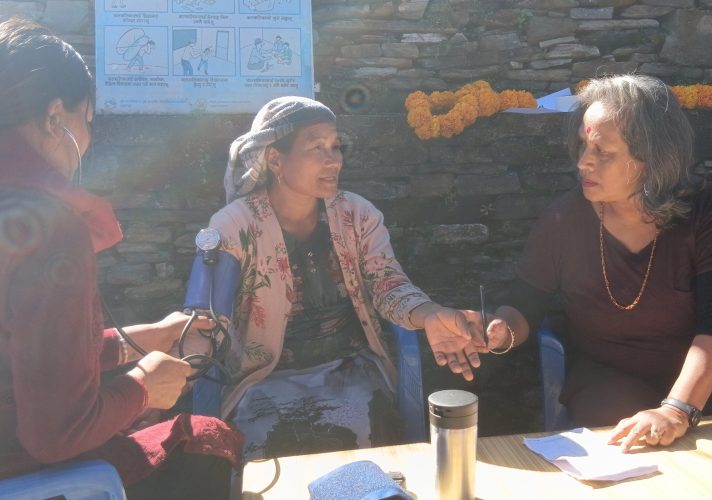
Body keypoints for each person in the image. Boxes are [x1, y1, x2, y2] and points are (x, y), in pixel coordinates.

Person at [482, 75, 712, 457]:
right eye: (583, 145)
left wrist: (676, 409)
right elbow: (526, 302)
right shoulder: (564, 219)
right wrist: (500, 331)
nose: (583, 162)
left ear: (651, 159)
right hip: (609, 373)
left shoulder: (708, 210)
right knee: (628, 456)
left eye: (603, 152)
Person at [0, 18, 242, 499]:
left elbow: (29, 350)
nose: (87, 140)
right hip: (22, 470)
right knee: (208, 437)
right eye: (86, 121)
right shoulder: (45, 227)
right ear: (54, 117)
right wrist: (144, 386)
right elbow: (57, 432)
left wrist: (140, 340)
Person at [199, 96, 483, 459]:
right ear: (275, 159)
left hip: (351, 372)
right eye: (316, 147)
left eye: (335, 146)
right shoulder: (234, 225)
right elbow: (209, 316)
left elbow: (387, 284)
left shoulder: (357, 214)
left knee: (364, 440)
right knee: (273, 448)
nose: (333, 160)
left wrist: (429, 314)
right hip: (264, 380)